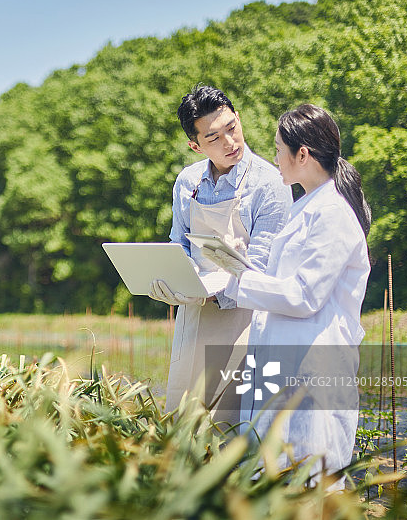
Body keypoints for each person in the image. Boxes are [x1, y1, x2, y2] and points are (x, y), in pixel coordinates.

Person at [203, 104, 371, 490]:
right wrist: (236, 265)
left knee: (312, 485)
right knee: (271, 481)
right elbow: (282, 285)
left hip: (313, 367)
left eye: (279, 149)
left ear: (302, 154)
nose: (274, 157)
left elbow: (303, 296)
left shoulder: (332, 214)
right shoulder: (306, 208)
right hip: (282, 365)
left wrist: (234, 281)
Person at [149, 85, 292, 422]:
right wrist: (171, 278)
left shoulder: (270, 184)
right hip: (194, 317)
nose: (230, 142)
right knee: (183, 428)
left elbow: (260, 271)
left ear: (238, 118)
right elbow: (179, 244)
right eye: (214, 138)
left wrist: (207, 288)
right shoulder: (187, 182)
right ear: (195, 145)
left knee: (234, 435)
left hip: (248, 322)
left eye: (232, 128)